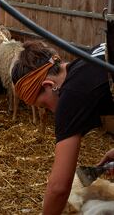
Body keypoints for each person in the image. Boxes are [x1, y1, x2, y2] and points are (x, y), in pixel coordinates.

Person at [11, 40, 114, 214]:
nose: (51, 112)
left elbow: (58, 188)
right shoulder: (89, 58)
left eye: (44, 105)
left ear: (49, 86)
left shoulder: (71, 98)